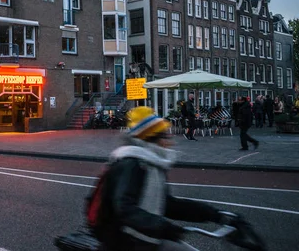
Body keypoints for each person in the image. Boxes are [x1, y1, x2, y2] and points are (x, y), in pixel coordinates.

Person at [97, 106, 236, 251]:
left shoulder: (151, 162)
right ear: (152, 138)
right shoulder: (133, 163)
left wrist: (216, 215)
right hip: (126, 242)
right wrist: (162, 227)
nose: (170, 140)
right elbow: (124, 207)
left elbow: (166, 203)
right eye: (165, 135)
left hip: (146, 238)